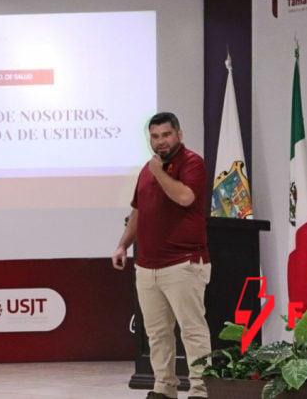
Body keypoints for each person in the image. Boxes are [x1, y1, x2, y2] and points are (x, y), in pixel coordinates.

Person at [112, 112, 211, 399]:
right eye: (154, 137)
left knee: (192, 331)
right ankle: (164, 388)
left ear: (179, 134)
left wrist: (159, 172)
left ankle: (200, 390)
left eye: (166, 135)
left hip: (183, 263)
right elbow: (138, 211)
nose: (160, 142)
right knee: (157, 334)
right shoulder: (148, 169)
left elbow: (185, 197)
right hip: (147, 266)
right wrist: (122, 245)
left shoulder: (192, 162)